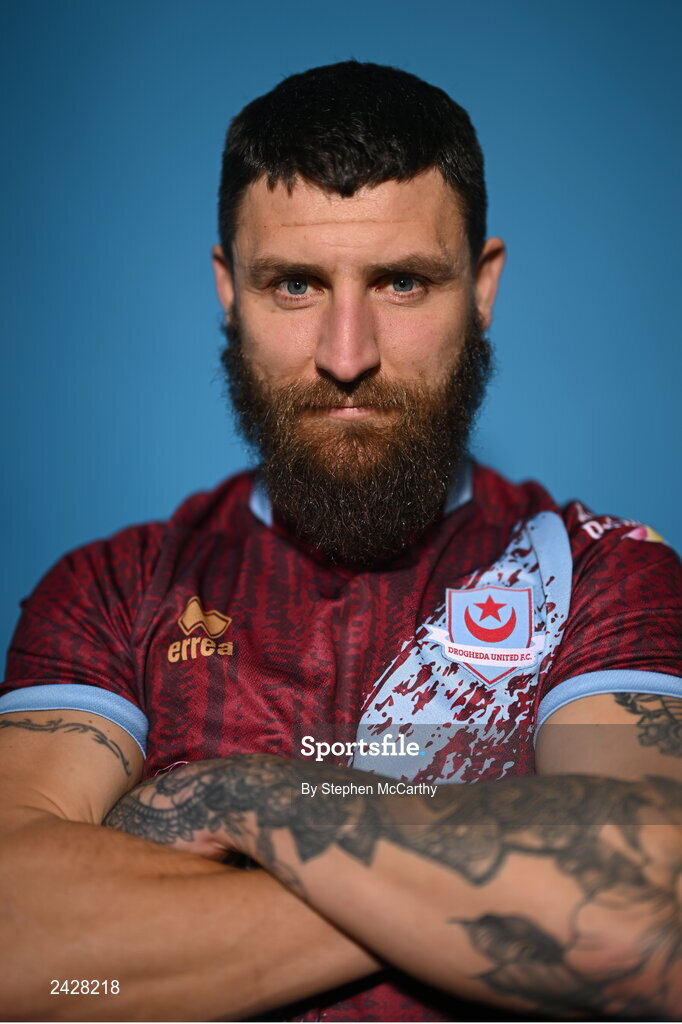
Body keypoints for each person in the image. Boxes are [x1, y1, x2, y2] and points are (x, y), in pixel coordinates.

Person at [0, 60, 680, 1023]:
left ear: (482, 288)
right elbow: (22, 957)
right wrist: (497, 871)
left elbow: (647, 919)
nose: (347, 354)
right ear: (228, 289)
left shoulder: (607, 572)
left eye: (402, 282)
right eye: (295, 285)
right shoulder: (116, 588)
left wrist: (236, 792)